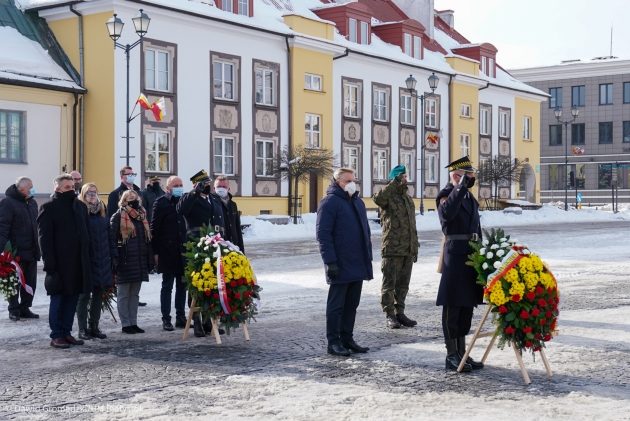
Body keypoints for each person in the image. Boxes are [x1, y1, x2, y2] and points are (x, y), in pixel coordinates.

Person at [316, 168, 373, 356]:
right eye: (348, 180)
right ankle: (333, 342)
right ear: (337, 181)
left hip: (357, 262)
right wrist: (330, 261)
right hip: (339, 263)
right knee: (336, 306)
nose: (352, 183)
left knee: (351, 304)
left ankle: (347, 338)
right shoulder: (329, 202)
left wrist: (367, 256)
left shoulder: (357, 202)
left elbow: (365, 231)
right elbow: (323, 235)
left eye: (354, 180)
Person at [436, 156, 484, 372]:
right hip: (455, 256)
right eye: (466, 176)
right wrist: (460, 186)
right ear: (456, 175)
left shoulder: (468, 197)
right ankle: (451, 354)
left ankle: (462, 353)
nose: (470, 180)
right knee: (453, 306)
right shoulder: (446, 195)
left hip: (471, 255)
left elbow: (476, 225)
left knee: (466, 305)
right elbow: (447, 216)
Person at [38, 174, 91, 349]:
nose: (72, 189)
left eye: (73, 186)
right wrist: (50, 263)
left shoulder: (80, 206)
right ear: (58, 188)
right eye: (67, 187)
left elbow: (85, 233)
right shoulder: (49, 207)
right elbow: (44, 239)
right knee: (58, 299)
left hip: (78, 262)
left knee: (73, 298)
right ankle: (57, 335)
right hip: (59, 263)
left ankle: (67, 332)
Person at [177, 169, 225, 337]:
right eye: (204, 184)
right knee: (196, 284)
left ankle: (210, 321)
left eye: (208, 183)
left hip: (214, 245)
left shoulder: (214, 199)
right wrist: (193, 193)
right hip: (195, 247)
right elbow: (181, 210)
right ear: (196, 185)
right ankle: (196, 321)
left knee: (212, 283)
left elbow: (220, 219)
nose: (208, 186)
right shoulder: (189, 198)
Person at [373, 164, 419, 329]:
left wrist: (414, 247)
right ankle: (389, 315)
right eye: (402, 176)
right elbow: (378, 199)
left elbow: (411, 225)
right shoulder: (388, 196)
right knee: (389, 284)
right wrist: (393, 184)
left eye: (406, 176)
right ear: (395, 178)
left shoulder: (407, 198)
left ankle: (400, 312)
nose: (405, 179)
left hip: (407, 249)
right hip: (392, 248)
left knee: (403, 284)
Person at [110, 190, 152, 334]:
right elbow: (112, 240)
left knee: (135, 295)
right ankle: (126, 324)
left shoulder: (141, 216)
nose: (132, 199)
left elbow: (146, 240)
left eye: (134, 197)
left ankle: (133, 322)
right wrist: (115, 259)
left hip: (139, 261)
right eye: (129, 198)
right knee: (123, 294)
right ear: (123, 200)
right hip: (124, 261)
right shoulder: (118, 216)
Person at [76, 183, 113, 340]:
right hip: (86, 260)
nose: (92, 195)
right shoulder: (80, 211)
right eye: (89, 192)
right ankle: (82, 329)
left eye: (94, 192)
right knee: (84, 296)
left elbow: (109, 236)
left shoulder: (102, 211)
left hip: (103, 259)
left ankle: (94, 326)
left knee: (98, 295)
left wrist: (112, 257)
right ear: (83, 195)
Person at [0, 177, 40, 321]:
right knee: (13, 282)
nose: (33, 189)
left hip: (32, 250)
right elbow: (2, 228)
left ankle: (25, 307)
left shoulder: (32, 203)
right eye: (30, 187)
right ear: (21, 189)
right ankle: (14, 309)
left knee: (30, 282)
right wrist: (3, 251)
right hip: (15, 253)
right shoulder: (7, 203)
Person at [151, 176, 187, 331]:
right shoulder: (161, 203)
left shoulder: (184, 202)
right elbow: (154, 229)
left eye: (180, 185)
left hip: (183, 251)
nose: (179, 187)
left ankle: (181, 317)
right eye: (175, 185)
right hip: (167, 251)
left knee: (182, 286)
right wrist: (155, 252)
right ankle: (166, 319)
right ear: (168, 188)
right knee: (167, 286)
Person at [212, 175, 244, 252]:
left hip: (233, 246)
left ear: (228, 189)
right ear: (214, 188)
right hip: (218, 247)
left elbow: (237, 228)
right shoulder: (210, 203)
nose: (221, 189)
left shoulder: (233, 205)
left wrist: (242, 250)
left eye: (224, 187)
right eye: (219, 186)